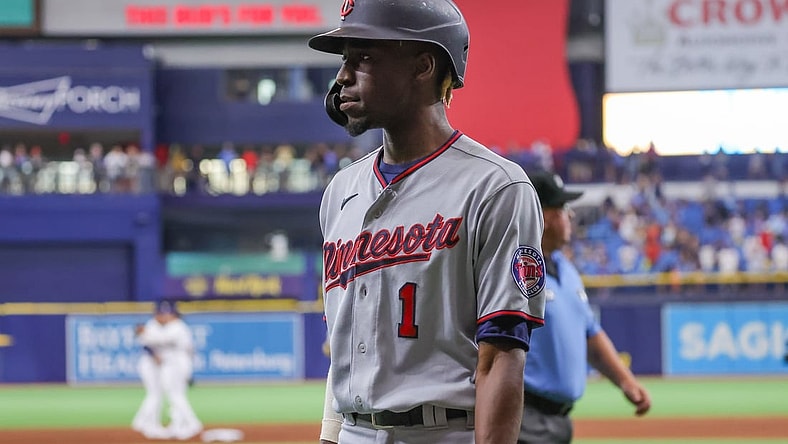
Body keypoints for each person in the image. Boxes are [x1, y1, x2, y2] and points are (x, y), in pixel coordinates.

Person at [308, 1, 547, 443]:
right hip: (353, 432)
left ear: (423, 65)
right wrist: (329, 436)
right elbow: (347, 352)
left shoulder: (495, 188)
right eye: (345, 60)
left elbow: (501, 357)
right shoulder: (340, 193)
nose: (343, 77)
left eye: (364, 58)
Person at [518, 172, 652, 444]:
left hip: (559, 420)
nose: (570, 216)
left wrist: (626, 381)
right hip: (524, 417)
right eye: (562, 209)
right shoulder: (515, 268)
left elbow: (590, 334)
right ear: (539, 215)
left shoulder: (566, 268)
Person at [131, 299, 203, 440]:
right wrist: (143, 333)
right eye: (162, 313)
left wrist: (143, 333)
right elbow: (149, 343)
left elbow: (161, 339)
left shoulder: (177, 326)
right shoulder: (159, 325)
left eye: (168, 314)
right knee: (173, 395)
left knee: (175, 395)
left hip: (178, 362)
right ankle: (178, 425)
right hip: (171, 364)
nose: (165, 316)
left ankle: (191, 424)